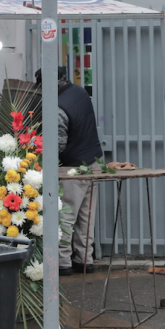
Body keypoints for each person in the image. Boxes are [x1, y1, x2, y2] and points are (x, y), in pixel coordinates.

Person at [36, 67, 103, 276]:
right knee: (87, 217)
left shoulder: (57, 108)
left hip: (72, 168)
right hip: (93, 164)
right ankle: (85, 260)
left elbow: (58, 145)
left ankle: (63, 262)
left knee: (65, 216)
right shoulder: (80, 92)